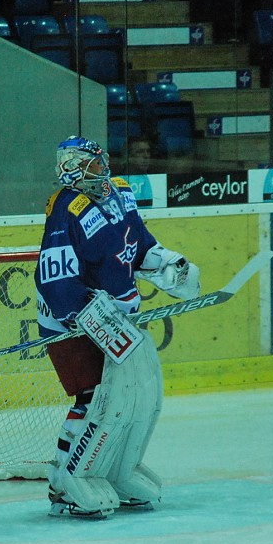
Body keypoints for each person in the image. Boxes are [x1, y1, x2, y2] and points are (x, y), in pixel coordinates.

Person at [34, 136, 201, 519]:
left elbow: (138, 245)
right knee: (95, 398)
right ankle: (64, 483)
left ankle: (117, 472)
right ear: (72, 168)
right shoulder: (66, 210)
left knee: (136, 397)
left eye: (103, 161)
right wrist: (85, 315)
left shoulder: (121, 193)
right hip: (72, 324)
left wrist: (167, 265)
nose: (103, 169)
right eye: (93, 164)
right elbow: (54, 278)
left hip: (116, 319)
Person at [119, 136, 154, 208]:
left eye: (148, 151)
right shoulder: (117, 180)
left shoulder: (150, 178)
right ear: (129, 156)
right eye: (140, 152)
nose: (146, 155)